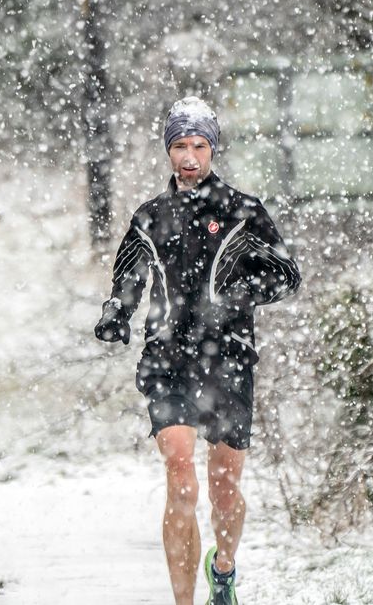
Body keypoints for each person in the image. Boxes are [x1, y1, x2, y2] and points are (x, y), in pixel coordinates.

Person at [94, 96, 301, 605]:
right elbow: (128, 277)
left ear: (213, 148)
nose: (189, 157)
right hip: (167, 359)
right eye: (180, 146)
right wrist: (117, 313)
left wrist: (235, 293)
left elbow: (286, 275)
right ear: (168, 150)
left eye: (199, 146)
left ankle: (223, 570)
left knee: (223, 488)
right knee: (181, 481)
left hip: (228, 358)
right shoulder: (150, 217)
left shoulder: (242, 211)